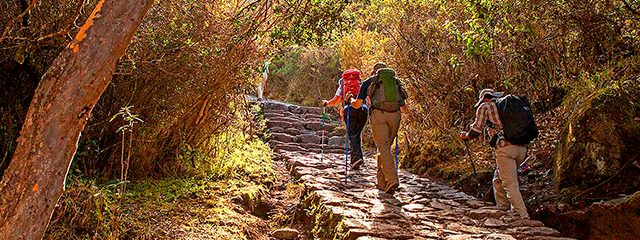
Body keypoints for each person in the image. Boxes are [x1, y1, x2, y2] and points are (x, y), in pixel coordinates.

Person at [459, 89, 530, 219]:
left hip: (504, 149)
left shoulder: (485, 107)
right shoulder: (509, 106)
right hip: (522, 148)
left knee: (510, 184)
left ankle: (522, 215)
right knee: (498, 178)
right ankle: (502, 206)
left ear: (485, 98)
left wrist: (466, 136)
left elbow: (475, 131)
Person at [350, 62, 409, 194]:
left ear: (375, 72)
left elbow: (357, 105)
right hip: (395, 116)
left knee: (383, 147)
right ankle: (381, 182)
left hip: (379, 115)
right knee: (385, 148)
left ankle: (392, 179)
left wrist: (350, 100)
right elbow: (404, 107)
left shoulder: (370, 82)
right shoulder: (395, 82)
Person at [322, 70, 368, 170]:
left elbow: (334, 101)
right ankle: (357, 159)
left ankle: (356, 159)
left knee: (352, 134)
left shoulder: (343, 85)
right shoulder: (362, 84)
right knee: (356, 134)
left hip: (349, 110)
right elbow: (368, 99)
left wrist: (326, 103)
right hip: (363, 110)